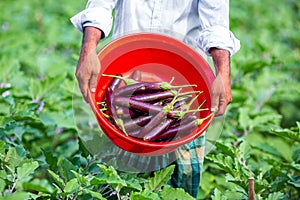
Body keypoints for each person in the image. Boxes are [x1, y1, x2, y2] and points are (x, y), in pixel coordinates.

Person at [71, 0, 240, 198]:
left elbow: (216, 19)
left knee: (176, 185)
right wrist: (89, 50)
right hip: (124, 71)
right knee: (115, 185)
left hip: (184, 80)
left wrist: (223, 73)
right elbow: (100, 4)